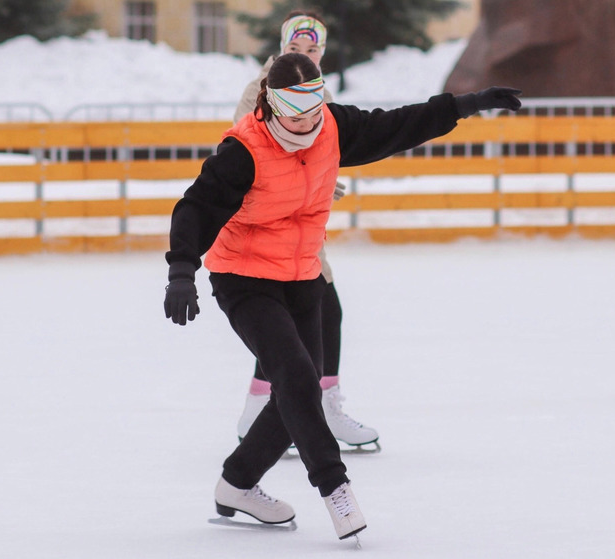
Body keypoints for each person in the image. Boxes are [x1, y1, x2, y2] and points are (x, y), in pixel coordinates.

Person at [164, 52, 521, 540]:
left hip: (304, 276)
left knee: (298, 392)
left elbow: (398, 125)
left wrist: (463, 105)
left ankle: (237, 483)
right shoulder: (244, 149)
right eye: (297, 108)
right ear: (271, 102)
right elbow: (196, 208)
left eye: (315, 103)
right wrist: (182, 269)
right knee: (294, 376)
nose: (309, 118)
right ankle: (336, 490)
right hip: (244, 277)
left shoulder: (331, 127)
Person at [232, 10, 380, 452]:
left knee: (311, 316)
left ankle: (284, 407)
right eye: (296, 49)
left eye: (312, 50)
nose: (305, 56)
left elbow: (321, 146)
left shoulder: (319, 91)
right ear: (282, 49)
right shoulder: (260, 91)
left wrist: (324, 180)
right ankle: (285, 408)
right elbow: (241, 151)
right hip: (269, 225)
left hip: (303, 226)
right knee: (303, 318)